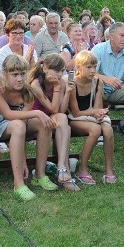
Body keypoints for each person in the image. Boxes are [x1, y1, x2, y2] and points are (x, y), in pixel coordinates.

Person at [0, 54, 57, 201]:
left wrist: (24, 161)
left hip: (16, 125)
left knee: (44, 124)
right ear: (5, 74)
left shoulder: (28, 91)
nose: (20, 78)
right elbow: (8, 114)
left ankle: (40, 175)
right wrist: (38, 112)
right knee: (20, 124)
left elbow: (24, 121)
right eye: (14, 74)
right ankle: (18, 183)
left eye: (22, 74)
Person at [28, 54, 80, 190]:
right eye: (56, 71)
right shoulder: (36, 83)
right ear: (45, 68)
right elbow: (53, 108)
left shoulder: (62, 82)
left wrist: (67, 92)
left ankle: (62, 165)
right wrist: (57, 87)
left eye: (62, 71)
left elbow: (61, 110)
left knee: (63, 119)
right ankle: (65, 172)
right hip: (36, 119)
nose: (59, 74)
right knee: (65, 127)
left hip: (52, 116)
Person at [68, 50, 117, 184]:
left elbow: (97, 107)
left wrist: (100, 113)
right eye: (88, 67)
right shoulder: (73, 83)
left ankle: (109, 170)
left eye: (95, 67)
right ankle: (82, 169)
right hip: (75, 118)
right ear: (78, 67)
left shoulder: (97, 82)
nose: (92, 70)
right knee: (95, 130)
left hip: (91, 116)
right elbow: (76, 112)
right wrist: (94, 113)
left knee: (108, 129)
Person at [91, 22, 124, 139]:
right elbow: (88, 73)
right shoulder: (98, 49)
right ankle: (98, 126)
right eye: (122, 35)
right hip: (97, 89)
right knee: (98, 84)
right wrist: (106, 79)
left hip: (116, 90)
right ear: (111, 36)